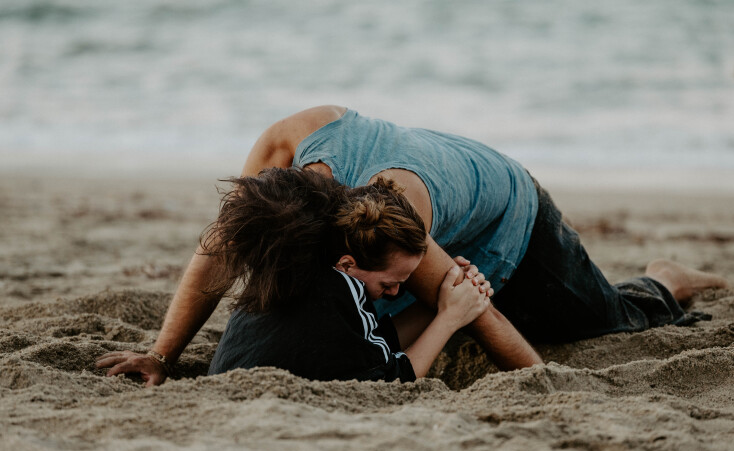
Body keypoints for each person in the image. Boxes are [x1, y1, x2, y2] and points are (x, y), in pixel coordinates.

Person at [96, 105, 729, 385]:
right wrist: (160, 354)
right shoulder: (284, 150)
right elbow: (216, 256)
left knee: (600, 318)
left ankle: (666, 280)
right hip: (421, 192)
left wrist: (542, 384)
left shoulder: (396, 214)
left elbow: (475, 309)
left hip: (507, 207)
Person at [203, 168, 490, 382]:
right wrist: (450, 318)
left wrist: (443, 294)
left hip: (224, 376)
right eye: (390, 283)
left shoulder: (298, 267)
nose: (395, 293)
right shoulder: (343, 288)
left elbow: (371, 344)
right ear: (347, 264)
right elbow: (395, 378)